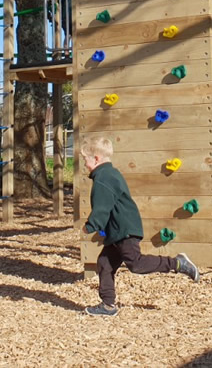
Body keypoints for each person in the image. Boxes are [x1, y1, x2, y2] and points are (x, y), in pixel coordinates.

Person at [79, 135, 200, 317]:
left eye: (85, 160)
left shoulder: (103, 178)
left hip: (124, 229)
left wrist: (90, 226)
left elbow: (102, 207)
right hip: (119, 229)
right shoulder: (109, 173)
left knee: (135, 264)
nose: (85, 164)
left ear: (96, 158)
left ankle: (178, 263)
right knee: (105, 263)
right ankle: (108, 305)